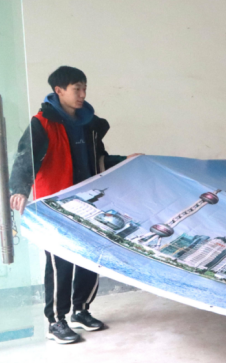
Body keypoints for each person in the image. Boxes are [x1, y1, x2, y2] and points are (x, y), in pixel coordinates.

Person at [9, 66, 139, 344]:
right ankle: (55, 321)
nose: (82, 94)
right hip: (55, 204)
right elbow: (25, 158)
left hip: (89, 202)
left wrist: (125, 160)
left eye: (84, 88)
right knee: (61, 262)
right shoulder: (42, 123)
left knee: (91, 256)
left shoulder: (89, 124)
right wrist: (19, 189)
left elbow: (99, 160)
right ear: (59, 91)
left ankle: (81, 310)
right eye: (76, 89)